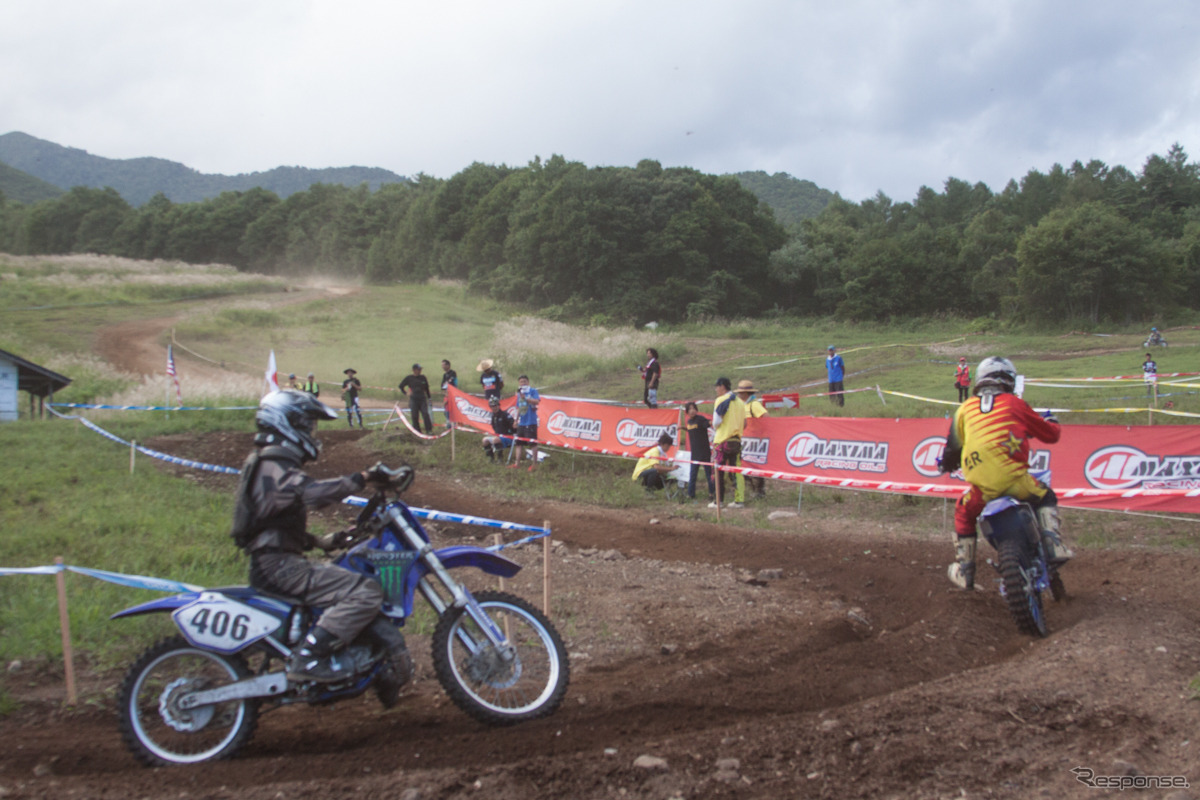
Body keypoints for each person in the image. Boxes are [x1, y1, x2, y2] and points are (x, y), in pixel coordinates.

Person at [231, 390, 412, 704]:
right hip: (278, 568)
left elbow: (272, 521)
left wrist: (321, 541)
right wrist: (364, 477)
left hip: (276, 562)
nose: (311, 433)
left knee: (345, 576)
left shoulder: (267, 464)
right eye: (307, 424)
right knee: (366, 591)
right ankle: (309, 659)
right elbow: (312, 494)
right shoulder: (272, 463)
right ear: (287, 423)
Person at [939, 356, 1073, 591]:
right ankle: (1053, 546)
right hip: (1016, 483)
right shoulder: (1014, 404)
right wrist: (1052, 421)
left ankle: (965, 570)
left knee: (963, 512)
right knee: (1045, 495)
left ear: (980, 380)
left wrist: (946, 465)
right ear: (1009, 380)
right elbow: (1051, 435)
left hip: (982, 491)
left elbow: (951, 449)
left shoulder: (964, 409)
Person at [708, 377, 746, 509]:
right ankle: (739, 500)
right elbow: (745, 423)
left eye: (717, 387)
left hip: (722, 440)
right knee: (736, 471)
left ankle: (718, 501)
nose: (716, 389)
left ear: (722, 386)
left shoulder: (720, 400)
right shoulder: (741, 403)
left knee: (718, 471)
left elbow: (716, 422)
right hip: (736, 440)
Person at [736, 379, 768, 500]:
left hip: (756, 441)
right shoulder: (742, 405)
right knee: (744, 466)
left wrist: (760, 431)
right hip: (745, 440)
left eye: (740, 393)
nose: (738, 395)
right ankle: (753, 489)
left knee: (756, 466)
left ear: (746, 394)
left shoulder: (754, 405)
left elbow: (766, 417)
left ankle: (759, 491)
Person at [683, 401, 715, 501]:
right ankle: (690, 494)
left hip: (704, 452)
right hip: (695, 453)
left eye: (694, 408)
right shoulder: (689, 422)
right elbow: (691, 430)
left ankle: (712, 493)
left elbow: (708, 423)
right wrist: (682, 428)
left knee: (709, 474)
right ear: (687, 412)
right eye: (690, 409)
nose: (692, 411)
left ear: (696, 410)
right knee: (692, 475)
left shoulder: (700, 419)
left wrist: (712, 422)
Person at [510, 374, 540, 471]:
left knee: (532, 443)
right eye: (521, 382)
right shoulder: (519, 394)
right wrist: (516, 420)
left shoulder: (533, 391)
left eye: (524, 381)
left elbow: (537, 401)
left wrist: (526, 398)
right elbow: (519, 408)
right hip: (522, 422)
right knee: (518, 443)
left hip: (531, 421)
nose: (523, 383)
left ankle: (534, 464)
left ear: (528, 382)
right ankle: (516, 463)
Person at [398, 363, 434, 434]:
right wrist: (406, 393)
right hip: (414, 399)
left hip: (422, 399)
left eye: (420, 369)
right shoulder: (409, 378)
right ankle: (417, 431)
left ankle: (429, 430)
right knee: (414, 415)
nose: (420, 371)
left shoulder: (423, 377)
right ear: (414, 370)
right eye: (418, 369)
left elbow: (427, 389)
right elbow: (401, 386)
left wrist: (429, 398)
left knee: (425, 414)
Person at [481, 396, 516, 461]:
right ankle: (491, 458)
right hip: (498, 436)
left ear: (498, 405)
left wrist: (513, 428)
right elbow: (494, 427)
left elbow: (513, 425)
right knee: (484, 440)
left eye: (495, 405)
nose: (494, 407)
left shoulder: (505, 414)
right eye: (492, 406)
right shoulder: (493, 416)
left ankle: (500, 458)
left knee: (495, 440)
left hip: (508, 437)